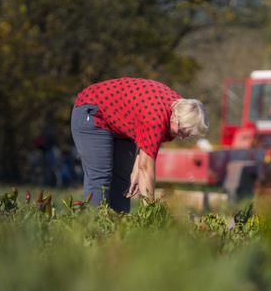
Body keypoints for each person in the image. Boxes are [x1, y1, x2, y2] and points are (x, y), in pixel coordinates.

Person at [71, 78, 208, 213]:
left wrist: (136, 169)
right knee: (101, 177)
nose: (182, 137)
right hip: (92, 110)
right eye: (181, 131)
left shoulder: (182, 109)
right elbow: (146, 168)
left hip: (120, 123)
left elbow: (146, 145)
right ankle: (94, 230)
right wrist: (150, 213)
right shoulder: (157, 117)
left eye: (188, 135)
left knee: (123, 180)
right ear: (174, 117)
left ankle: (119, 229)